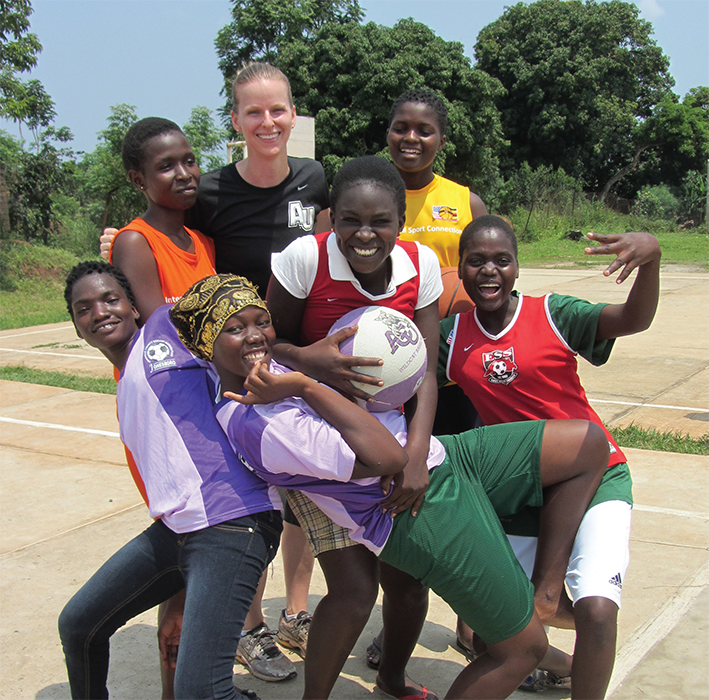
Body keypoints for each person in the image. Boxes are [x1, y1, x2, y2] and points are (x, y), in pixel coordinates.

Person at [168, 273, 609, 700]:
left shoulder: (270, 371)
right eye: (233, 328)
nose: (255, 336)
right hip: (418, 511)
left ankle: (546, 593)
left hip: (445, 457)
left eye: (260, 321)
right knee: (523, 650)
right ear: (207, 343)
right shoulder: (260, 425)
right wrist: (305, 385)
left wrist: (307, 361)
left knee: (589, 444)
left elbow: (385, 430)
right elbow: (388, 458)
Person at [100, 62, 330, 680]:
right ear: (236, 121)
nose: (183, 174)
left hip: (223, 396)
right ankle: (203, 664)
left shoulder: (203, 237)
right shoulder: (155, 231)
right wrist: (116, 244)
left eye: (186, 162)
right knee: (188, 542)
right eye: (253, 112)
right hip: (174, 411)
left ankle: (200, 669)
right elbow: (163, 331)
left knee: (236, 519)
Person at [439, 215, 661, 698]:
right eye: (476, 261)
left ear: (518, 267)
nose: (490, 271)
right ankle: (565, 665)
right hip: (521, 487)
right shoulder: (451, 336)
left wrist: (651, 258)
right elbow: (398, 373)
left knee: (597, 610)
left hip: (595, 473)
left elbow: (633, 319)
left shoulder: (553, 314)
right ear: (460, 270)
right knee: (481, 633)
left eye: (502, 260)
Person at [57, 261, 282, 700]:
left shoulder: (164, 327)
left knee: (200, 692)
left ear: (134, 307)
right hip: (178, 530)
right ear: (77, 328)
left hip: (233, 520)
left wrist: (310, 360)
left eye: (109, 298)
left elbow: (247, 331)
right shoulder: (125, 390)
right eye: (83, 309)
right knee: (79, 624)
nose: (99, 311)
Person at [266, 156, 442, 699]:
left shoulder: (422, 265)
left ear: (401, 218)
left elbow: (428, 372)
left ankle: (390, 677)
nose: (364, 235)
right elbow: (266, 344)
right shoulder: (305, 258)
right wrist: (311, 361)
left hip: (390, 445)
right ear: (331, 218)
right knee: (354, 588)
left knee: (409, 583)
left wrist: (414, 456)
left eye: (380, 221)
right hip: (318, 443)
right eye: (350, 221)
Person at [388, 88, 487, 268]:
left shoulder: (469, 204)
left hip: (449, 297)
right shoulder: (362, 200)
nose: (411, 137)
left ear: (441, 142)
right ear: (388, 135)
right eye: (401, 129)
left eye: (424, 132)